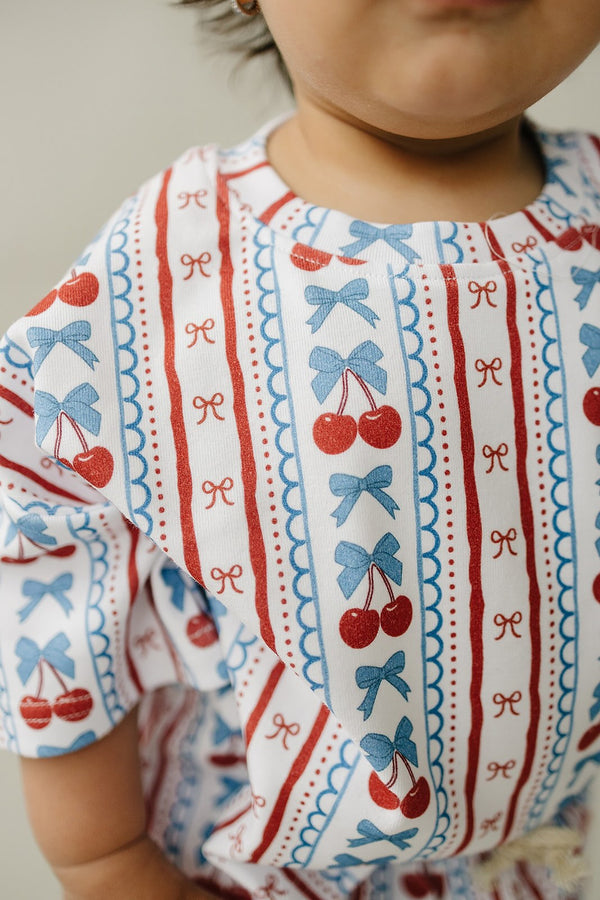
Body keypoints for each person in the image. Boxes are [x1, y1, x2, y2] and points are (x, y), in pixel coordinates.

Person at [1, 0, 600, 897]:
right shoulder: (176, 262)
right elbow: (52, 541)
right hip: (247, 872)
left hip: (540, 861)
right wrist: (103, 857)